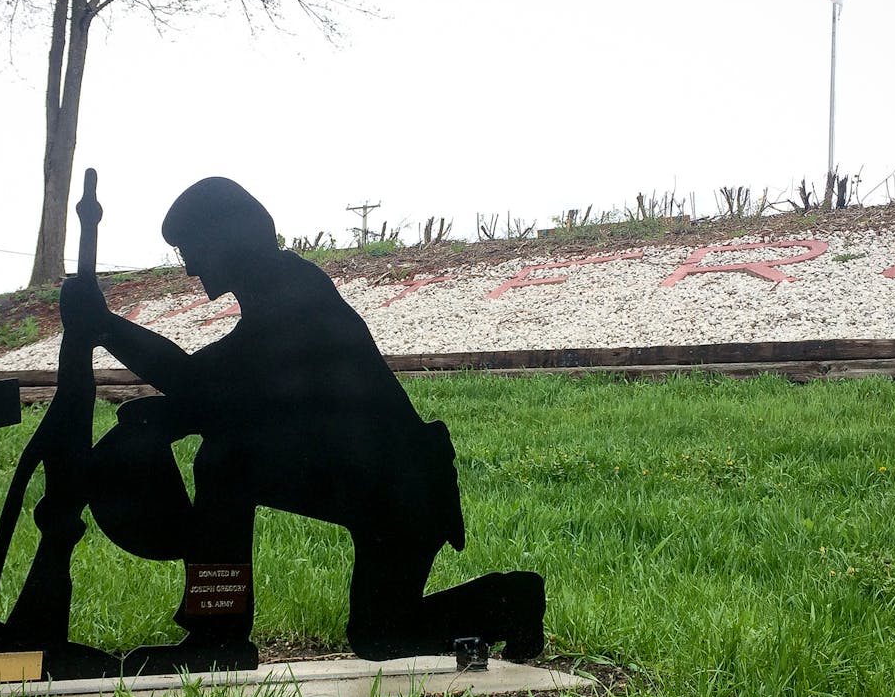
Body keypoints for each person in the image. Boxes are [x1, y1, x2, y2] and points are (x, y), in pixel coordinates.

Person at [55, 177, 544, 662]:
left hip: (400, 491)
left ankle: (510, 601)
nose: (189, 268)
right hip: (369, 480)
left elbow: (203, 382)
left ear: (225, 238)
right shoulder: (279, 289)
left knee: (380, 634)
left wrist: (105, 327)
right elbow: (241, 395)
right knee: (226, 462)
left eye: (191, 249)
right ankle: (216, 634)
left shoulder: (293, 292)